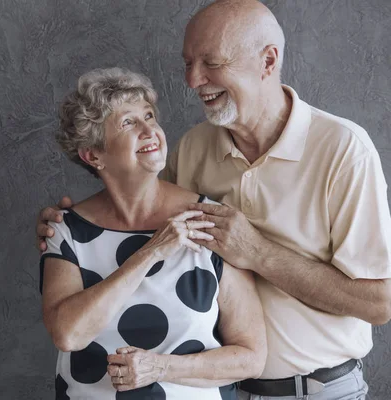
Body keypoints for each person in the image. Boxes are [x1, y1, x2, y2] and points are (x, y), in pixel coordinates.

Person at [36, 0, 391, 399]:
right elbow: (134, 208)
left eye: (211, 61)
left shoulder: (343, 149)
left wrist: (257, 252)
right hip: (231, 390)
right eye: (188, 62)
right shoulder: (191, 150)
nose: (192, 79)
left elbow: (379, 303)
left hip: (323, 390)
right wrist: (66, 226)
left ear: (268, 61)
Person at [40, 67, 266, 400]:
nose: (151, 130)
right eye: (128, 122)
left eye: (149, 116)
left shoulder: (208, 220)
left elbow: (251, 358)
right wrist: (151, 253)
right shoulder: (67, 231)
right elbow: (68, 335)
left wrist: (160, 367)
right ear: (93, 154)